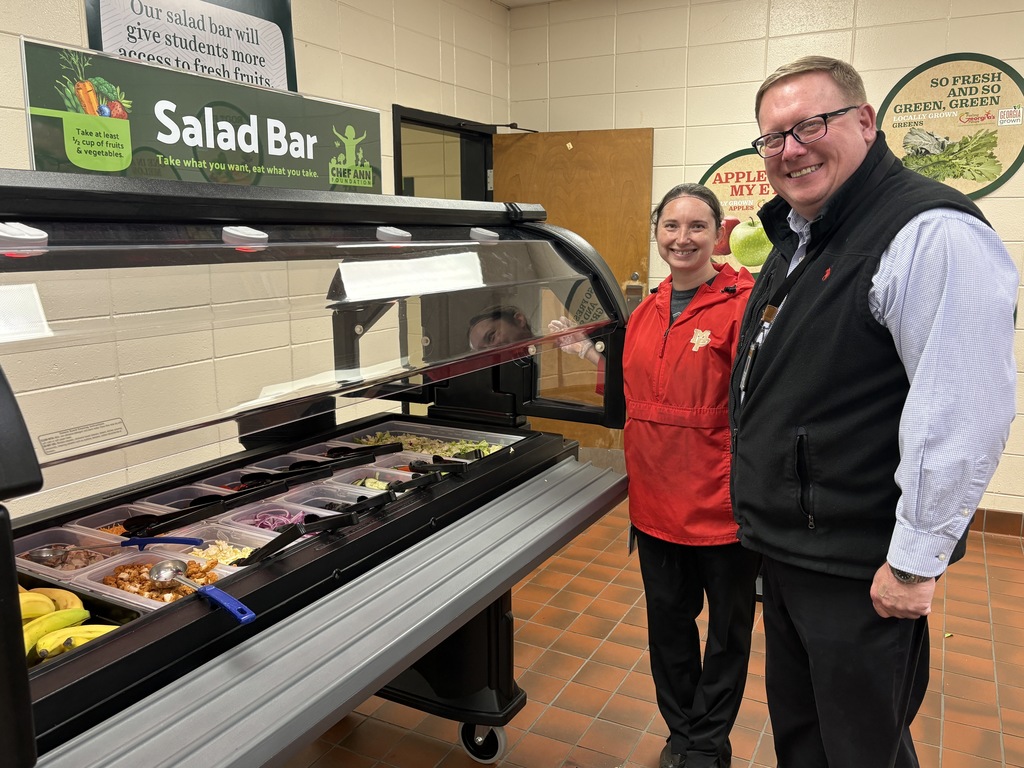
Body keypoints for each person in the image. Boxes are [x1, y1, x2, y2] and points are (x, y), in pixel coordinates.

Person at [728, 56, 1018, 768]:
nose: (790, 149)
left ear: (864, 122)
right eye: (773, 137)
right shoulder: (805, 234)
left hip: (861, 566)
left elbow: (961, 410)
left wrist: (915, 564)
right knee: (808, 737)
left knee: (860, 748)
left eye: (809, 125)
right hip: (798, 549)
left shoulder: (929, 232)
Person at [554, 184, 760, 768]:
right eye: (671, 226)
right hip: (654, 504)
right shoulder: (643, 312)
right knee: (669, 629)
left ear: (719, 234)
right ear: (657, 234)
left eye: (697, 226)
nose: (683, 238)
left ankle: (708, 743)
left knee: (727, 635)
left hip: (723, 505)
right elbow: (638, 393)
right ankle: (681, 731)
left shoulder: (744, 305)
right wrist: (591, 356)